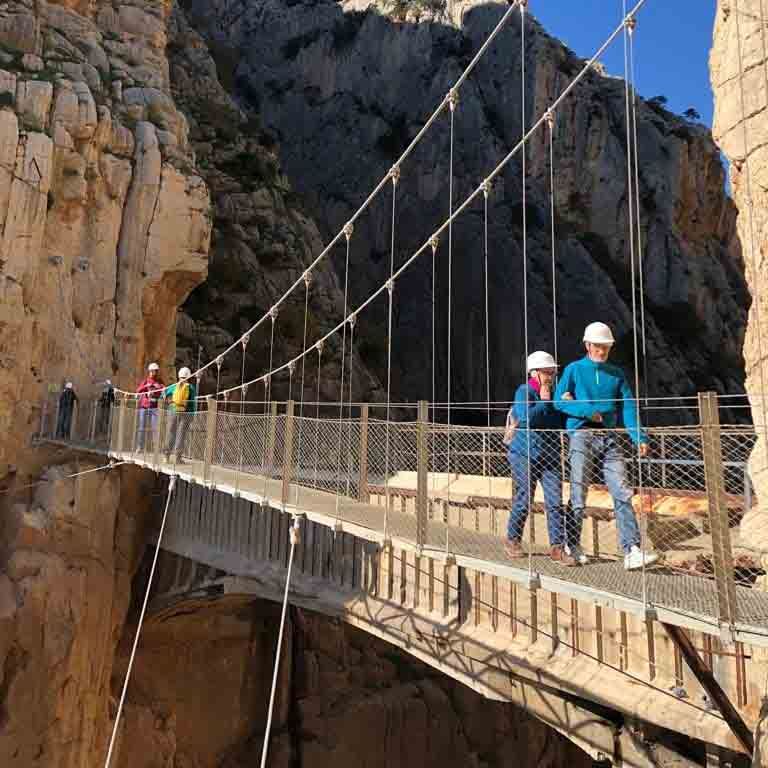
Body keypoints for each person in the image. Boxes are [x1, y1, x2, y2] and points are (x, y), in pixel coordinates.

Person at [554, 322, 659, 571]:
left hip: (609, 436)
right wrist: (587, 411)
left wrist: (639, 437)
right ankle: (572, 545)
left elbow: (629, 406)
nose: (602, 351)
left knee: (622, 491)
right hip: (581, 434)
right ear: (588, 345)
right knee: (578, 492)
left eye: (606, 347)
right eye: (598, 346)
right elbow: (558, 401)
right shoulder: (573, 370)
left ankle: (632, 550)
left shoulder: (616, 374)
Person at [506, 351, 577, 566]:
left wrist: (567, 405)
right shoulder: (524, 391)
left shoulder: (555, 394)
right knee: (524, 499)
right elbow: (526, 418)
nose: (551, 376)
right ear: (534, 373)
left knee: (555, 502)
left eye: (553, 372)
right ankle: (512, 539)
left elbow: (560, 421)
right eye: (547, 372)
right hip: (524, 454)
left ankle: (557, 548)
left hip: (550, 455)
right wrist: (545, 402)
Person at [162, 366, 197, 463]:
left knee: (170, 433)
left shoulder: (173, 386)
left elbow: (163, 395)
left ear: (179, 376)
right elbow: (192, 402)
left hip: (172, 411)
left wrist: (167, 400)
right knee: (181, 434)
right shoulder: (190, 387)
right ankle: (178, 458)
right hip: (185, 413)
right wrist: (192, 414)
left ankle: (166, 456)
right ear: (189, 376)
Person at [135, 362, 164, 451]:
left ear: (156, 372)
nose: (152, 373)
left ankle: (155, 447)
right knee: (141, 427)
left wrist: (157, 387)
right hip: (144, 406)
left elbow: (164, 391)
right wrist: (146, 386)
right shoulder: (146, 381)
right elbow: (138, 390)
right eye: (151, 371)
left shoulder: (159, 382)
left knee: (155, 428)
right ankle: (140, 447)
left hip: (154, 407)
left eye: (153, 371)